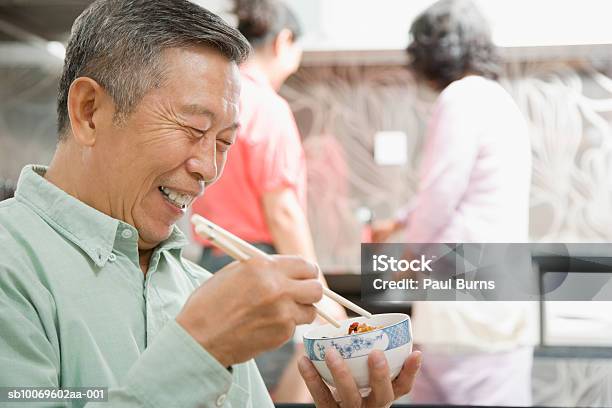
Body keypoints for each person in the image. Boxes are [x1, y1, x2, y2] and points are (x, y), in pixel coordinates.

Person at [0, 1, 421, 407]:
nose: (208, 168)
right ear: (90, 112)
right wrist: (200, 348)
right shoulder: (13, 263)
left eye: (223, 142)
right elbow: (284, 207)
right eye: (193, 128)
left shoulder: (196, 286)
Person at [373, 0, 536, 405]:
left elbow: (440, 196)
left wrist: (408, 258)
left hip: (465, 305)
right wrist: (399, 220)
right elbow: (454, 189)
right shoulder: (498, 100)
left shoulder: (461, 98)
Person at [191, 0, 346, 402]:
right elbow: (282, 210)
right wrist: (323, 293)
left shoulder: (218, 100)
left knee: (220, 389)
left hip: (211, 264)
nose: (296, 61)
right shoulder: (269, 108)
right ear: (283, 41)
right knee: (257, 393)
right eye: (297, 51)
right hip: (260, 267)